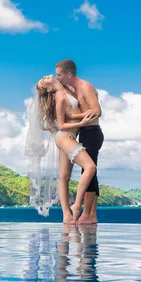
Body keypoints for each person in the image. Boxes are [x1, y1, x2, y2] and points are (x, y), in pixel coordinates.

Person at [31, 75, 98, 222]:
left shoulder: (66, 90)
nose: (44, 77)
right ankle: (76, 206)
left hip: (68, 137)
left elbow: (72, 115)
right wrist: (83, 121)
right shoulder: (59, 96)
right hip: (65, 136)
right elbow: (61, 125)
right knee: (90, 167)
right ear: (49, 89)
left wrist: (82, 116)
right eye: (43, 81)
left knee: (64, 177)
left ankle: (66, 216)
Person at [55, 59, 104, 225]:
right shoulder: (72, 89)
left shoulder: (85, 86)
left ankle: (85, 213)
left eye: (59, 75)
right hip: (84, 132)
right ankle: (90, 215)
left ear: (69, 74)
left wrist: (74, 117)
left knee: (89, 171)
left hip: (92, 133)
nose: (58, 78)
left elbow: (97, 111)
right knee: (89, 173)